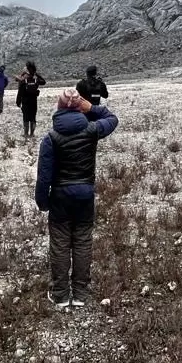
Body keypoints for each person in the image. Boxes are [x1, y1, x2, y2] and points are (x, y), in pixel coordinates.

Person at [36, 89, 119, 308]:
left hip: (60, 196)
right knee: (82, 240)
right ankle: (81, 293)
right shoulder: (92, 130)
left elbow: (44, 176)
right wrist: (92, 108)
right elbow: (112, 119)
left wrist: (43, 201)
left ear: (59, 108)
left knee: (60, 244)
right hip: (85, 193)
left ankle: (61, 295)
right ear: (78, 107)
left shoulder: (50, 139)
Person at [14, 61, 47, 139]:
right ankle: (32, 134)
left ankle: (26, 134)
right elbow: (44, 82)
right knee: (33, 117)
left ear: (28, 70)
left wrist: (18, 102)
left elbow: (20, 92)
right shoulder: (36, 80)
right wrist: (36, 74)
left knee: (26, 117)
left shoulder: (24, 81)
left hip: (25, 102)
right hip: (34, 102)